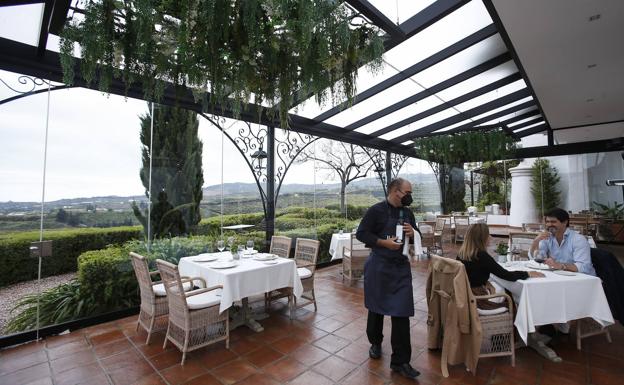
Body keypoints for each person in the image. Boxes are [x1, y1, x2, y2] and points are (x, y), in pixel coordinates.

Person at [356, 178, 420, 379]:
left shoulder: (408, 213)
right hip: (379, 266)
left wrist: (414, 232)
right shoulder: (375, 211)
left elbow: (416, 237)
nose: (409, 196)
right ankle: (375, 342)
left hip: (400, 268)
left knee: (401, 313)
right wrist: (383, 242)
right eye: (407, 192)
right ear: (394, 191)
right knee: (376, 309)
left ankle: (401, 361)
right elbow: (362, 234)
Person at [457, 223, 544, 309]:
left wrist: (486, 283)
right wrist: (528, 274)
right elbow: (506, 275)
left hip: (464, 295)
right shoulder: (482, 256)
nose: (490, 237)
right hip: (478, 298)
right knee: (510, 293)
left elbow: (471, 276)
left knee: (499, 285)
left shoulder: (461, 254)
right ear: (482, 238)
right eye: (488, 235)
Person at [529, 208, 596, 275]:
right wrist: (536, 241)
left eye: (553, 222)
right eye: (547, 222)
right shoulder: (547, 237)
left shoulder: (578, 239)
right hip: (560, 276)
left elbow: (584, 267)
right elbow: (537, 257)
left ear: (564, 222)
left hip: (583, 279)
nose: (549, 225)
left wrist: (561, 266)